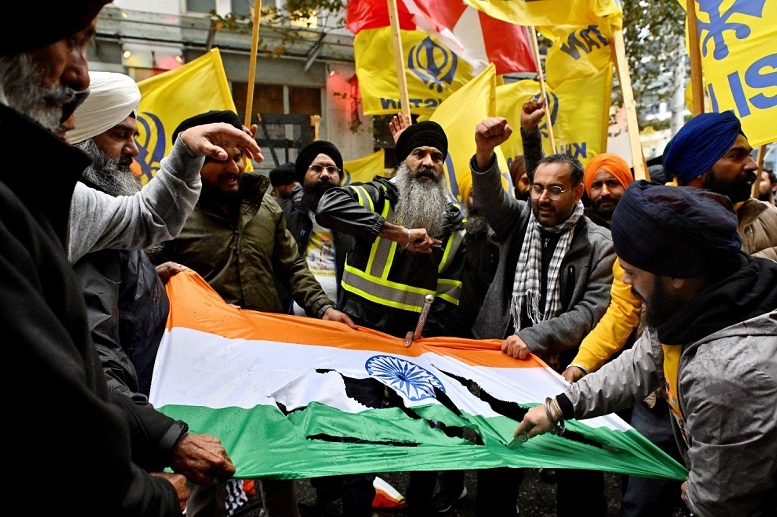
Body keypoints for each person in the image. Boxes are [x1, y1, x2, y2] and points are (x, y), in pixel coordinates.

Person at [1, 1, 204, 513]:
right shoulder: (33, 195)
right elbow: (73, 381)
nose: (79, 72)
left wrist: (147, 280)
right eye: (71, 40)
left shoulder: (59, 197)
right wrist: (156, 472)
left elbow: (141, 219)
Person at [515, 181, 777, 516]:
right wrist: (559, 408)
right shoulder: (688, 305)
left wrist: (695, 496)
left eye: (631, 272)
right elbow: (638, 365)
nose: (625, 283)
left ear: (677, 274)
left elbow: (724, 501)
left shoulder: (725, 376)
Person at [151, 109, 356, 517]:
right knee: (208, 459)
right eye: (220, 157)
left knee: (276, 455)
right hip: (203, 360)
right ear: (193, 159)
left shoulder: (267, 204)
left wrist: (324, 309)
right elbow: (144, 284)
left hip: (265, 354)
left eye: (239, 155)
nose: (234, 166)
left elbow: (292, 266)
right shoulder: (167, 213)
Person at [67, 70, 238, 492]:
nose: (133, 149)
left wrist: (146, 277)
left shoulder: (103, 211)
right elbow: (94, 357)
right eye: (119, 135)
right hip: (119, 430)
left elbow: (143, 222)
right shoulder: (80, 216)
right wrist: (167, 438)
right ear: (83, 136)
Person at [315, 120, 467, 517]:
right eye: (419, 153)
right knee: (362, 443)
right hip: (361, 341)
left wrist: (430, 339)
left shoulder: (452, 219)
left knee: (424, 437)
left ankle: (420, 508)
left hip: (414, 349)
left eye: (436, 156)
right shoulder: (379, 194)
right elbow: (328, 206)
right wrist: (396, 233)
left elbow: (450, 289)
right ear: (404, 160)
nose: (428, 162)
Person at [470, 116, 615, 517]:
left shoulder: (601, 243)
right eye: (536, 188)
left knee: (579, 478)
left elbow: (591, 313)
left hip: (567, 376)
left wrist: (533, 337)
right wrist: (485, 152)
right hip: (505, 369)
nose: (542, 199)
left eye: (555, 189)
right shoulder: (518, 221)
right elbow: (490, 198)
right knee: (499, 471)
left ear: (577, 192)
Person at [562, 152, 687, 517]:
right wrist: (582, 364)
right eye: (596, 184)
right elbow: (621, 313)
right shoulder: (622, 252)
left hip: (711, 389)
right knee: (641, 495)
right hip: (650, 387)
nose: (604, 192)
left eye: (613, 182)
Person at [663, 110, 777, 260]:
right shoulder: (658, 231)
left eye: (749, 155)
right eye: (736, 156)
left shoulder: (768, 216)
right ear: (699, 167)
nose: (753, 165)